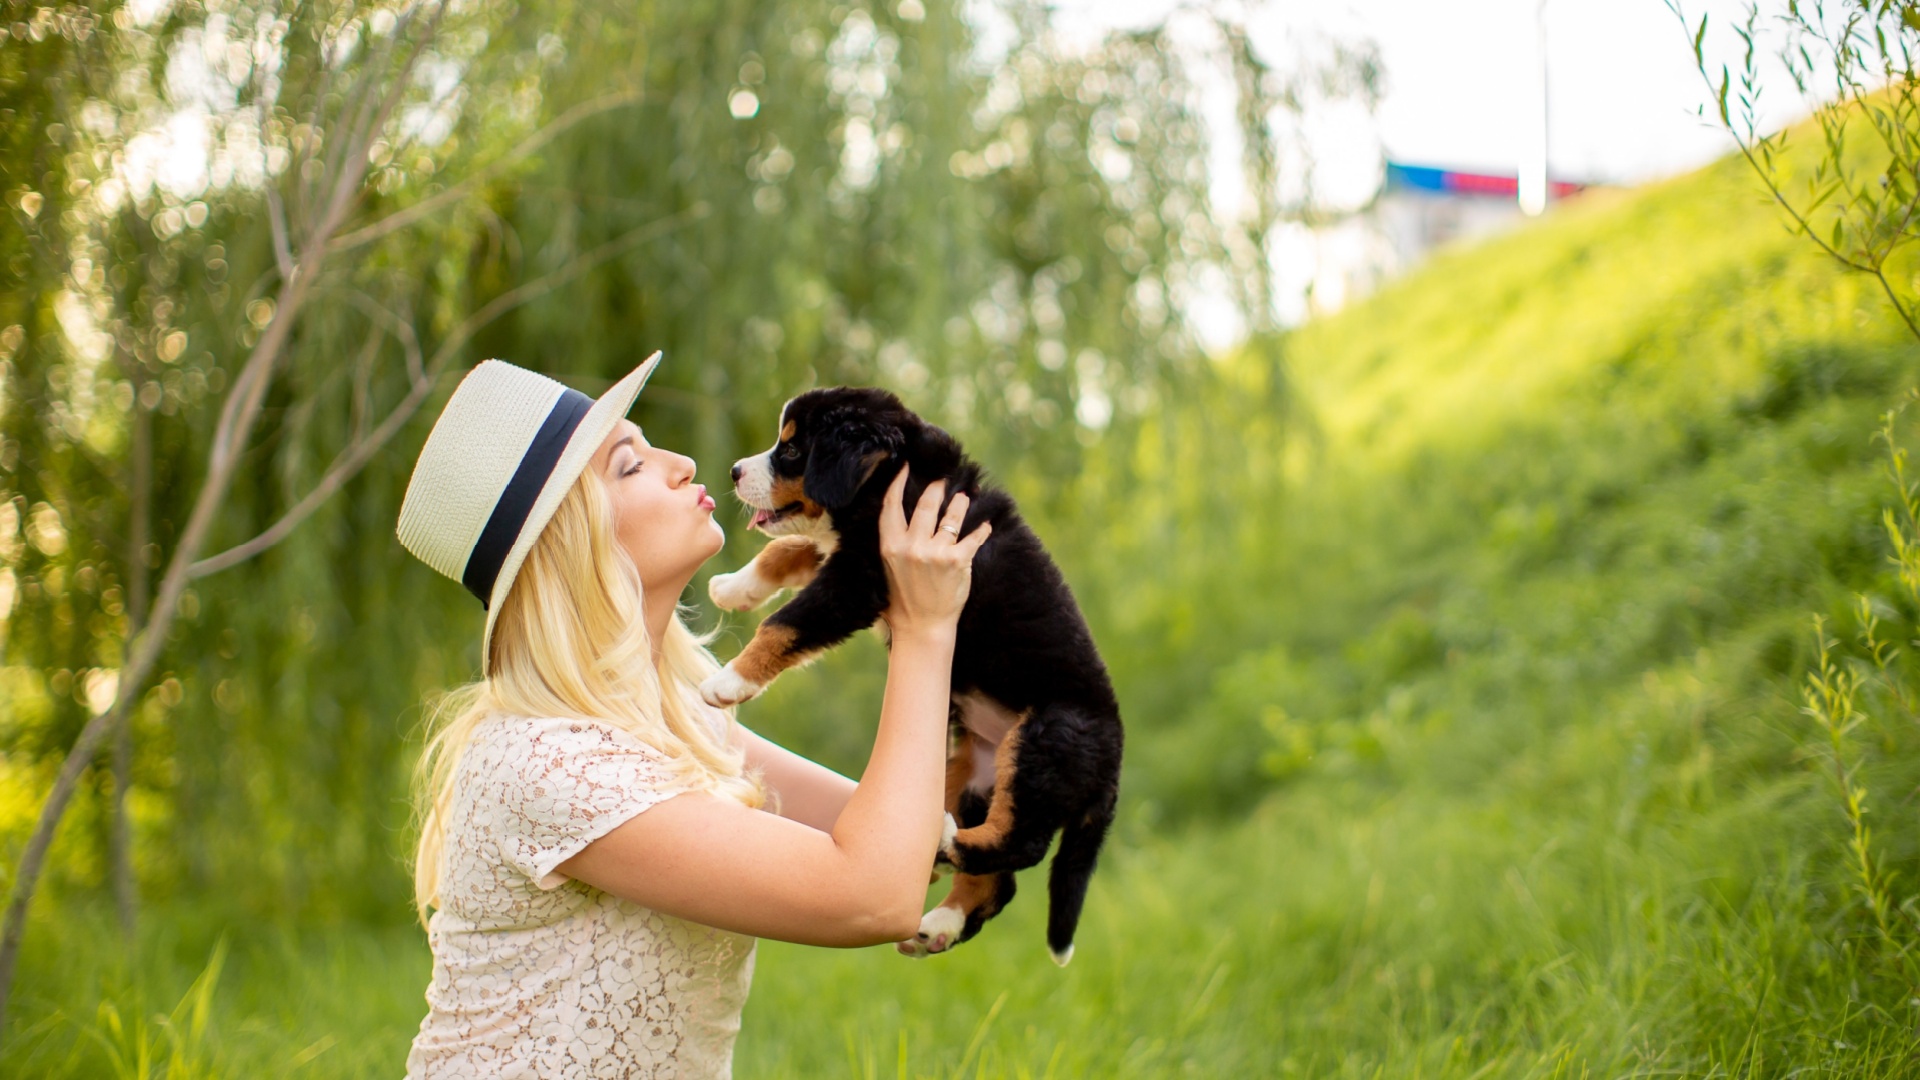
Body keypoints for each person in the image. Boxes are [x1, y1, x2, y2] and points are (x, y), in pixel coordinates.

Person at [393, 354, 990, 1077]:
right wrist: (925, 631)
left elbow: (911, 844)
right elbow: (875, 895)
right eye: (629, 465)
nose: (680, 464)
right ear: (569, 540)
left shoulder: (677, 718)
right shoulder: (548, 762)